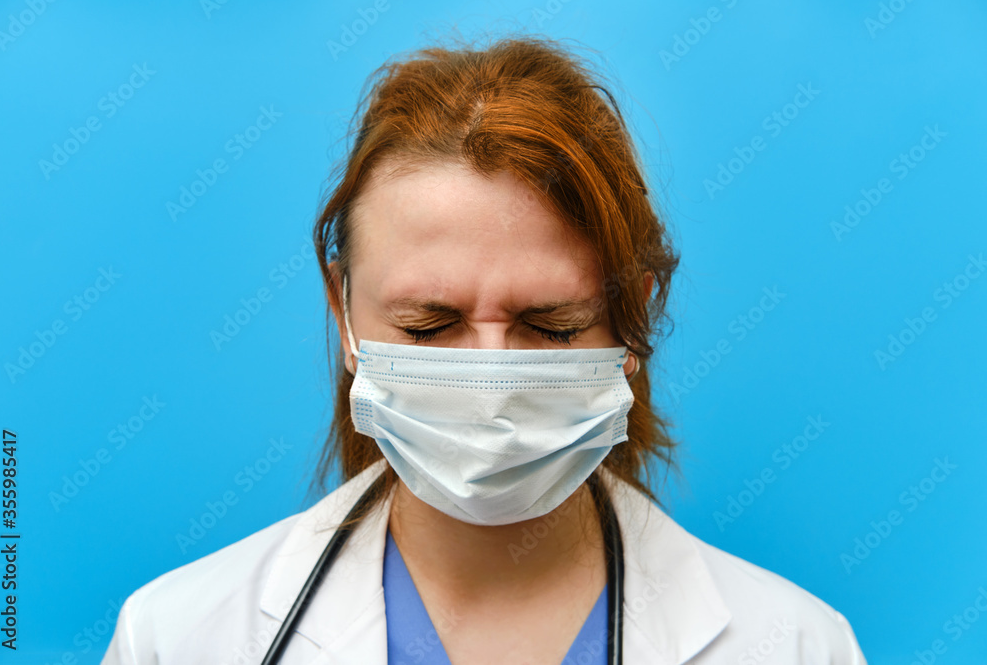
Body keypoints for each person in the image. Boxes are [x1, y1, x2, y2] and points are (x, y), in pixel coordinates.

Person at [102, 35, 867, 664]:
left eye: (553, 324)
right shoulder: (179, 637)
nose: (491, 383)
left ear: (632, 317)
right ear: (344, 314)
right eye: (428, 325)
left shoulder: (796, 645)